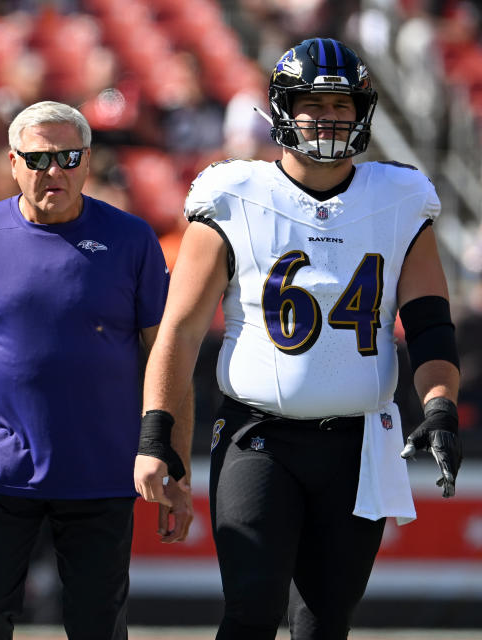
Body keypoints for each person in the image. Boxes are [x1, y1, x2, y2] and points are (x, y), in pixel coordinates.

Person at [134, 37, 462, 640]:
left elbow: (430, 324)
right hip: (259, 435)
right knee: (253, 608)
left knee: (324, 622)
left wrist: (440, 406)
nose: (331, 117)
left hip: (359, 441)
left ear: (362, 111)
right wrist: (158, 436)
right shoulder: (234, 194)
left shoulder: (399, 198)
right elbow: (178, 330)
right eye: (316, 102)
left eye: (343, 104)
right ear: (284, 108)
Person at [0, 100, 191, 640]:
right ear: (12, 163)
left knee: (97, 627)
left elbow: (168, 357)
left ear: (88, 162)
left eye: (68, 157)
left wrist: (173, 464)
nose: (54, 171)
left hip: (103, 475)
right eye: (38, 159)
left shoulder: (132, 239)